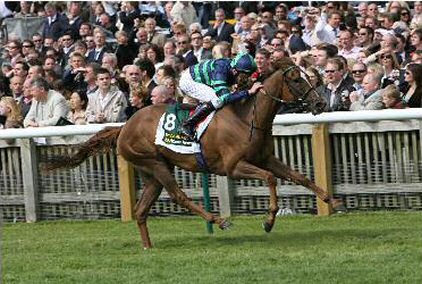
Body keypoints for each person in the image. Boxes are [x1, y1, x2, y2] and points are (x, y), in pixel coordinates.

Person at [178, 52, 263, 139]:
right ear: (235, 71)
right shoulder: (221, 70)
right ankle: (187, 125)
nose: (246, 78)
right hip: (189, 81)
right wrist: (248, 92)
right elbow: (224, 97)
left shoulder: (234, 68)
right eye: (245, 75)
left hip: (203, 80)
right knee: (217, 100)